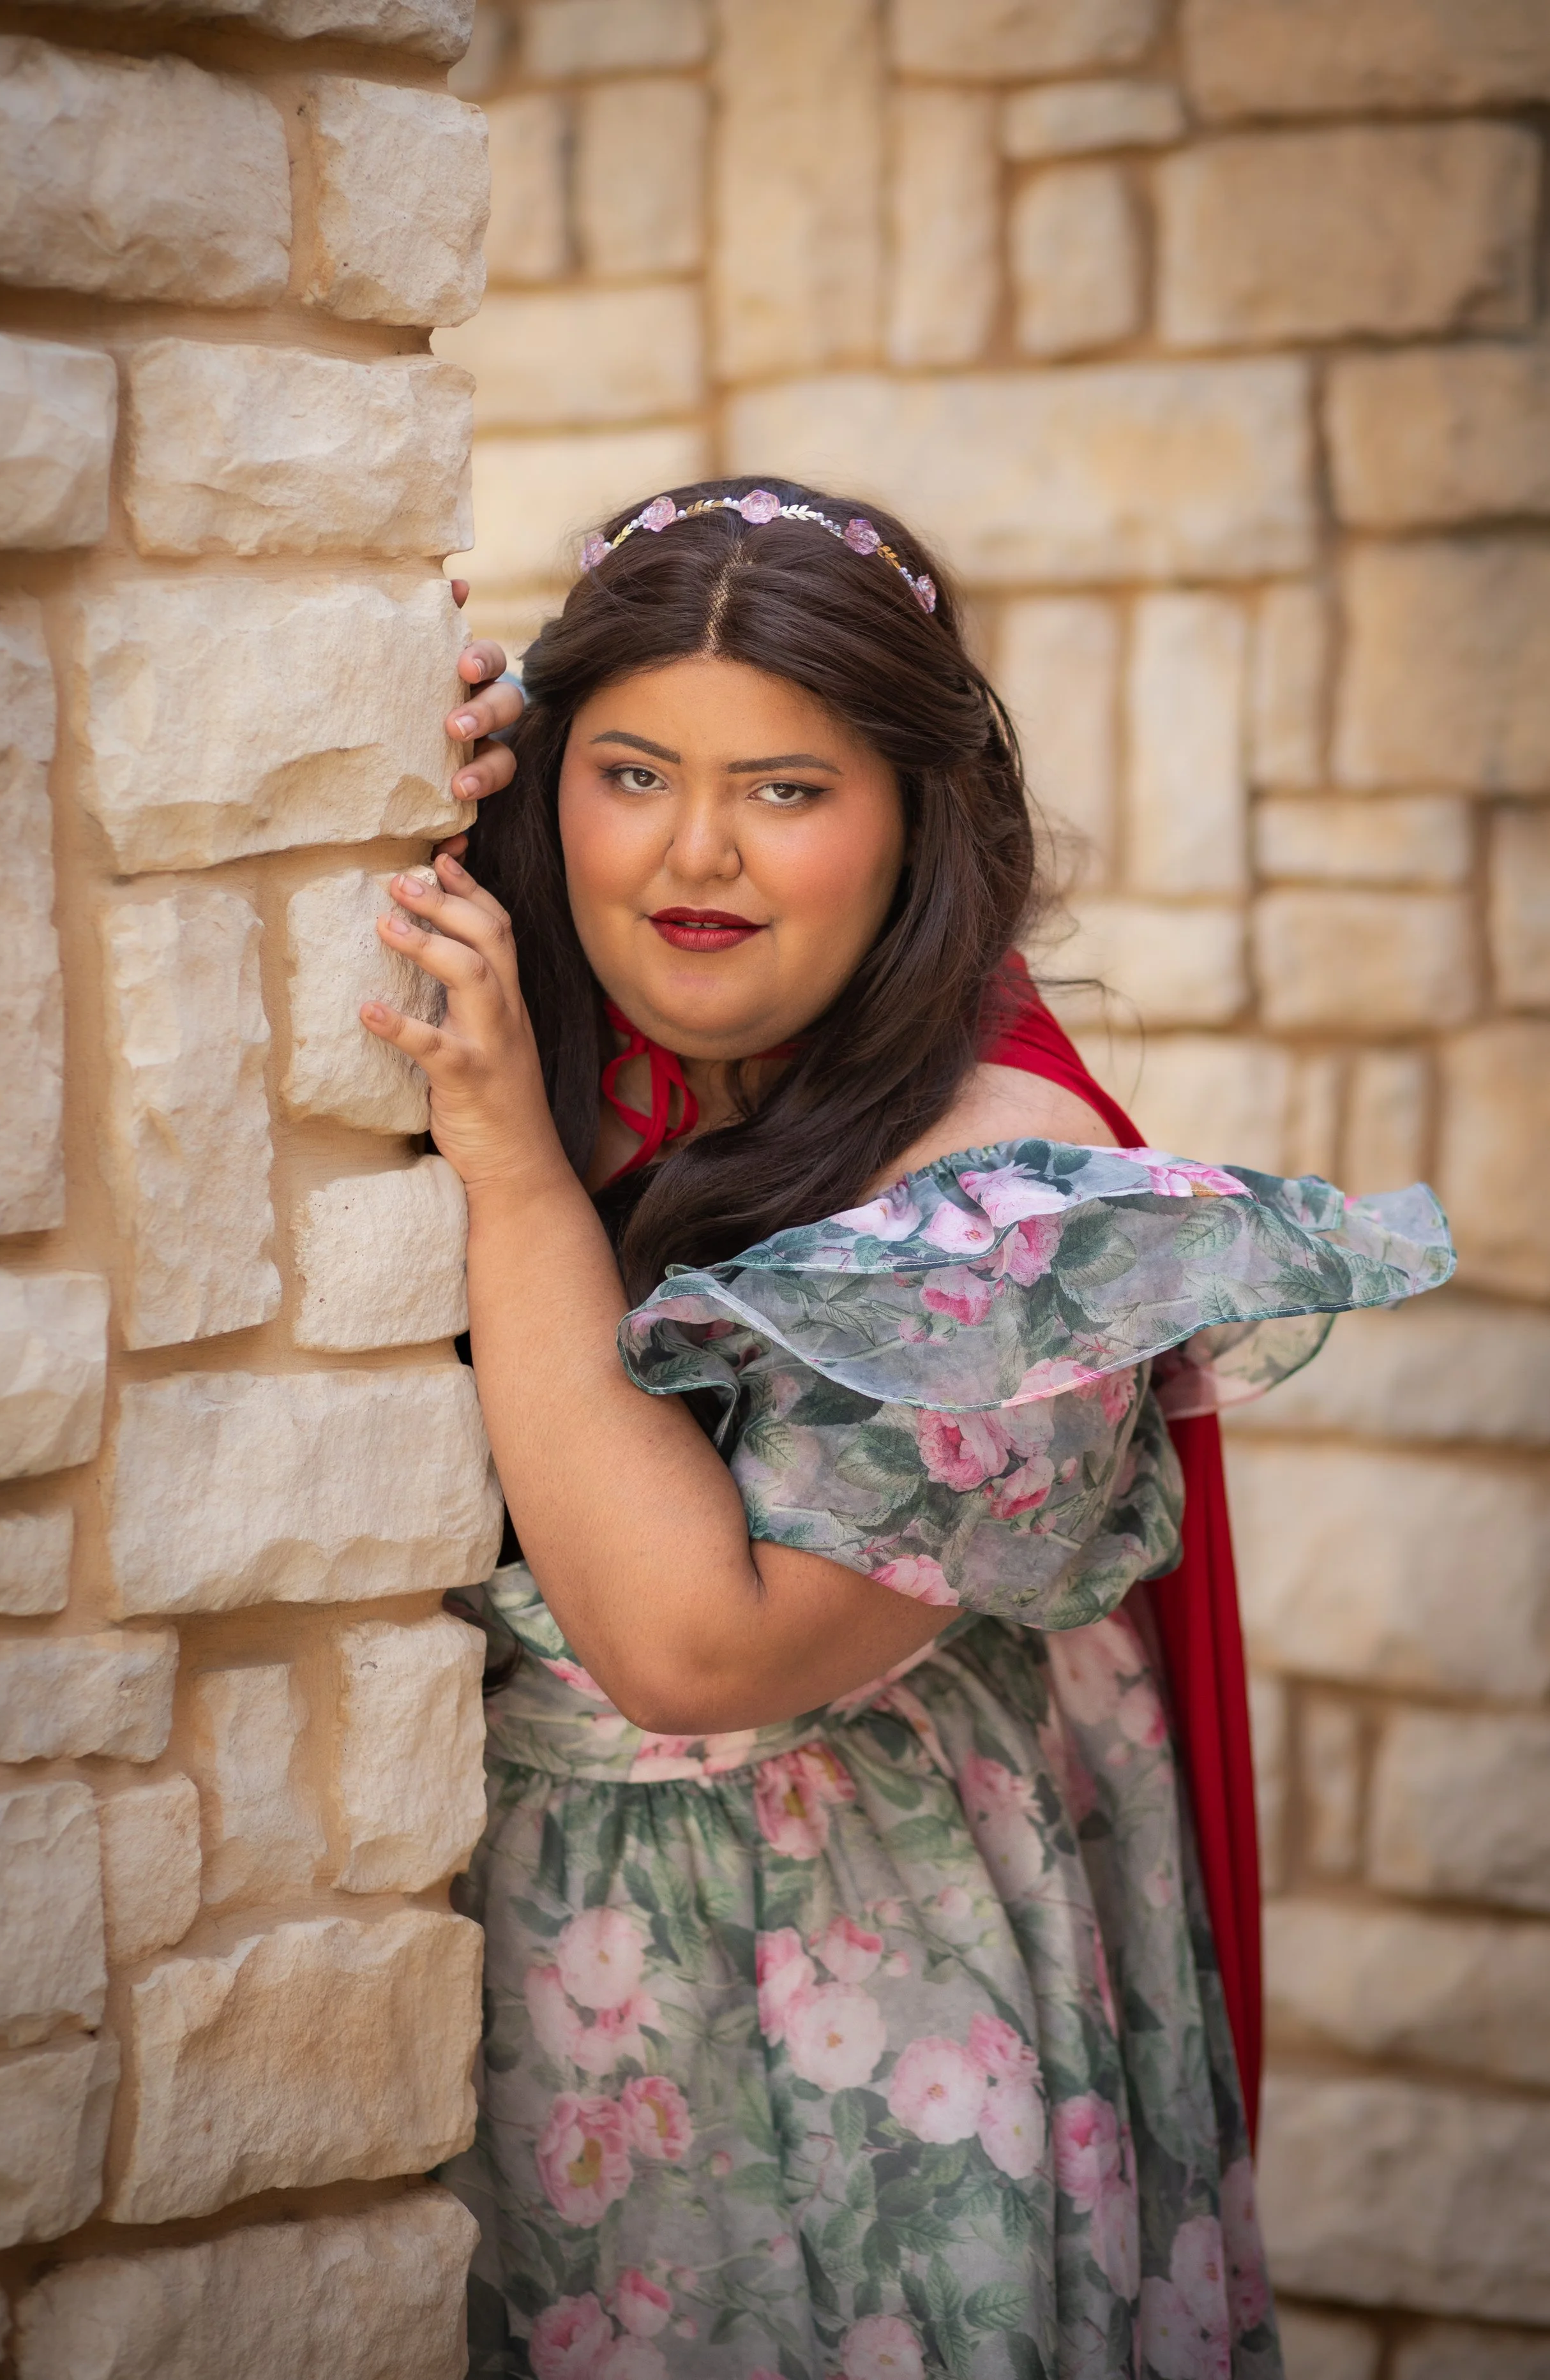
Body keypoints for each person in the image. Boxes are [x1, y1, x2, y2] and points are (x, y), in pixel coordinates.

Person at [359, 479, 1452, 2380]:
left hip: (844, 2054)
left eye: (787, 789)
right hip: (463, 2036)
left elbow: (698, 1649)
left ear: (915, 822)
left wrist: (512, 1170)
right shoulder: (550, 1022)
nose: (695, 852)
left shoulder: (1009, 1216)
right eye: (631, 774)